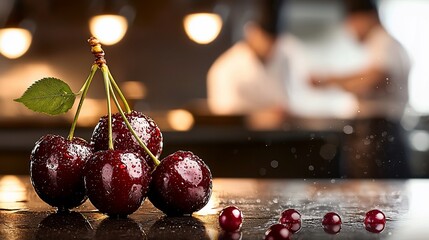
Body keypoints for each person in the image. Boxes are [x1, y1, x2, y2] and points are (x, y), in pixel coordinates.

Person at [311, 0, 411, 178]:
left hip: (378, 133)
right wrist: (331, 80)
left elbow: (375, 79)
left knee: (373, 195)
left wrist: (332, 82)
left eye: (351, 22)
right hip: (385, 131)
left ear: (366, 17)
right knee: (381, 197)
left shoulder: (382, 41)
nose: (350, 30)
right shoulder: (388, 43)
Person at [206, 0, 308, 129]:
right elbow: (222, 115)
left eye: (275, 40)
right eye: (265, 38)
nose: (271, 46)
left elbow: (298, 98)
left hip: (281, 139)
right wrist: (255, 118)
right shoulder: (226, 68)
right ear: (251, 31)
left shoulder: (287, 56)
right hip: (240, 141)